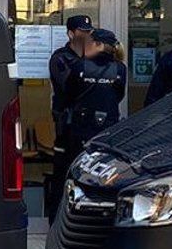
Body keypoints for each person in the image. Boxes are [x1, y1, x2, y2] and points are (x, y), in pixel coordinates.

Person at [53, 29, 127, 212]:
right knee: (103, 174)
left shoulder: (80, 67)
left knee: (74, 172)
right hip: (107, 131)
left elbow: (66, 95)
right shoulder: (120, 69)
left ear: (99, 45)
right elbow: (118, 96)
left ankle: (70, 214)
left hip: (80, 130)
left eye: (90, 43)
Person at [44, 14, 92, 218]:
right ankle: (56, 219)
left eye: (89, 32)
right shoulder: (60, 58)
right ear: (71, 34)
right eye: (82, 32)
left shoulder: (94, 59)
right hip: (67, 126)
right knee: (63, 174)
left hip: (90, 126)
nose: (87, 36)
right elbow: (68, 88)